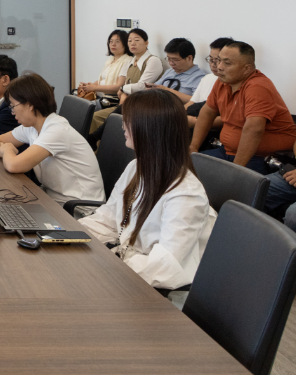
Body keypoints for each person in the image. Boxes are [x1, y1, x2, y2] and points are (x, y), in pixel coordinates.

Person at [79, 89, 216, 292]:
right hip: (127, 270)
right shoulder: (137, 167)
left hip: (154, 292)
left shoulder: (185, 194)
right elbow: (107, 219)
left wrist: (107, 265)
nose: (123, 126)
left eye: (129, 121)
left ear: (150, 128)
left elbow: (166, 265)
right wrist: (70, 235)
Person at [0, 73, 104, 205]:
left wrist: (7, 150)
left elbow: (13, 165)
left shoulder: (56, 130)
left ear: (30, 104)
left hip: (78, 208)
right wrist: (7, 153)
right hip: (52, 199)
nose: (12, 112)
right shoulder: (32, 126)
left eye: (13, 106)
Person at [190, 41, 296, 175]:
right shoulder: (222, 82)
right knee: (184, 167)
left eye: (227, 63)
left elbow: (254, 129)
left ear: (246, 69)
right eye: (219, 60)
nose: (219, 67)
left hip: (259, 157)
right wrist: (193, 147)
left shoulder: (258, 87)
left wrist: (236, 169)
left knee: (219, 181)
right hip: (226, 151)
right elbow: (207, 112)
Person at [90, 29, 163, 134]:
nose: (132, 43)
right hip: (127, 103)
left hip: (143, 105)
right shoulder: (130, 62)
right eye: (130, 41)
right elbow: (126, 86)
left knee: (98, 118)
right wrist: (123, 93)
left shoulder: (153, 60)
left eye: (136, 40)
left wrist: (123, 90)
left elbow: (142, 86)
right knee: (94, 116)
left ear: (146, 43)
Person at [186, 37, 234, 130]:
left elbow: (230, 117)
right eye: (211, 59)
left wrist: (196, 122)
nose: (213, 65)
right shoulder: (207, 78)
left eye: (217, 60)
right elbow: (192, 102)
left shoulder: (233, 83)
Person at [144, 38, 207, 103]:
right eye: (169, 59)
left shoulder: (200, 78)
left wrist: (166, 91)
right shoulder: (169, 71)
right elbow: (157, 87)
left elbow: (198, 101)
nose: (171, 63)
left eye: (175, 60)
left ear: (189, 58)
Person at [76, 29, 131, 100]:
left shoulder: (127, 61)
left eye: (117, 41)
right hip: (100, 96)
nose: (113, 44)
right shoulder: (111, 60)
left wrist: (95, 87)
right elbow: (103, 80)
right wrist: (88, 86)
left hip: (111, 99)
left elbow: (119, 87)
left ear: (125, 44)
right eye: (111, 41)